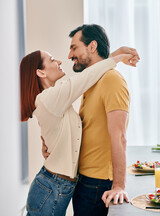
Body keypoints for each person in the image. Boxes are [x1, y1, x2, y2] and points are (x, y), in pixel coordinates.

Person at [20, 48, 137, 216]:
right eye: (52, 59)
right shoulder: (49, 98)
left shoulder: (52, 99)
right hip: (51, 188)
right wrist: (116, 58)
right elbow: (85, 78)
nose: (59, 62)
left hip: (54, 185)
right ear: (40, 72)